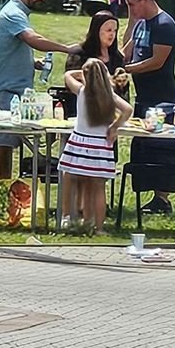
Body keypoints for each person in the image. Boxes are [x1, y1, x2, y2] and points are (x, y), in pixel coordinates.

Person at [0, 0, 80, 184]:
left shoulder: (19, 13)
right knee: (2, 145)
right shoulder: (12, 13)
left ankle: (2, 194)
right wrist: (66, 49)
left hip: (14, 92)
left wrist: (33, 63)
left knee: (7, 146)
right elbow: (32, 39)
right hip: (2, 92)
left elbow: (13, 48)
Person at [121, 0, 175, 216]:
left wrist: (129, 70)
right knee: (143, 145)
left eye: (132, 4)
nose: (131, 9)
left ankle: (162, 198)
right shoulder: (141, 24)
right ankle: (148, 193)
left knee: (162, 147)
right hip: (143, 96)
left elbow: (158, 61)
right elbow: (128, 49)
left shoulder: (165, 25)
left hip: (162, 96)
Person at [57, 59, 132, 235]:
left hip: (80, 143)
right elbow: (128, 110)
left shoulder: (81, 91)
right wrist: (114, 126)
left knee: (71, 177)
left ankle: (68, 216)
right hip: (100, 146)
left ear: (85, 77)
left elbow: (67, 75)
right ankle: (98, 227)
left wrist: (82, 73)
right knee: (99, 187)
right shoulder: (110, 96)